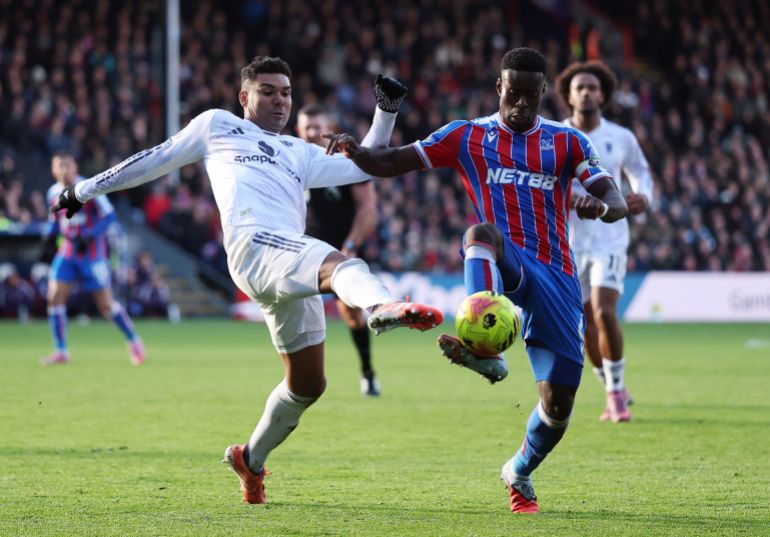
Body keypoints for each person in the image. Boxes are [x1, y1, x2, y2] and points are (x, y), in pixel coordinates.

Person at [52, 56, 442, 505]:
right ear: (245, 97)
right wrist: (80, 191)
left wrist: (385, 112)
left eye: (286, 92)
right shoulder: (217, 126)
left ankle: (249, 460)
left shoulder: (299, 151)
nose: (280, 100)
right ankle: (380, 307)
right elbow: (154, 159)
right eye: (269, 91)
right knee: (343, 265)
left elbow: (364, 167)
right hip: (254, 247)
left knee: (308, 385)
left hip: (286, 258)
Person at [325, 47, 628, 513]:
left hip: (558, 276)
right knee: (480, 234)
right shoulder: (469, 136)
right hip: (509, 259)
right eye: (514, 94)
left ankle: (519, 471)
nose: (522, 104)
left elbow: (616, 198)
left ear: (544, 92)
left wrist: (601, 206)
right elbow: (389, 162)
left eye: (531, 95)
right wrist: (357, 151)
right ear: (499, 89)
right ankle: (480, 343)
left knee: (558, 406)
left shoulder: (568, 143)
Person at [555, 61, 653, 423]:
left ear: (603, 94)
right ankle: (611, 384)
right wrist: (572, 200)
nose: (586, 92)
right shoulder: (554, 136)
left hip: (610, 239)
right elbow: (545, 184)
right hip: (569, 242)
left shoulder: (622, 137)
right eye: (579, 87)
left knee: (604, 310)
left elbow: (640, 173)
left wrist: (643, 196)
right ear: (568, 95)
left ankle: (615, 395)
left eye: (592, 87)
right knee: (583, 325)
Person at [299, 104, 381, 396]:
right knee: (294, 311)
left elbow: (368, 209)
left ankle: (368, 373)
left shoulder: (344, 162)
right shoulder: (292, 158)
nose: (310, 132)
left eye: (315, 126)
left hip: (340, 252)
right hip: (305, 250)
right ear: (298, 130)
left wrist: (350, 245)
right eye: (305, 127)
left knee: (351, 316)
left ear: (326, 126)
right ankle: (298, 380)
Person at [40, 150, 145, 366]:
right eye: (59, 165)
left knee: (105, 305)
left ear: (75, 167)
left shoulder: (88, 188)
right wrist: (49, 236)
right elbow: (56, 220)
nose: (64, 170)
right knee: (54, 297)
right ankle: (61, 351)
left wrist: (91, 234)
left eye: (67, 165)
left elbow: (109, 216)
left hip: (92, 255)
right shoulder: (52, 193)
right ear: (53, 169)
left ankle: (133, 340)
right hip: (67, 253)